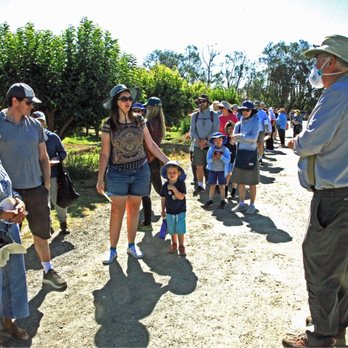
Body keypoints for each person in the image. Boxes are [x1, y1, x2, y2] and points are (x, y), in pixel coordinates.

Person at [282, 34, 348, 348]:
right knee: (342, 265)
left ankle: (322, 337)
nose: (316, 67)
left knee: (321, 265)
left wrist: (297, 143)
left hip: (335, 197)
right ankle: (334, 323)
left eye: (319, 61)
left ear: (332, 62)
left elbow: (311, 142)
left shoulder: (337, 93)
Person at [0, 83, 67, 290]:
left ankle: (48, 270)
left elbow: (43, 156)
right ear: (15, 101)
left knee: (41, 232)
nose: (31, 107)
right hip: (9, 195)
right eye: (28, 102)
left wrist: (46, 184)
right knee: (8, 239)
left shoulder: (35, 126)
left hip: (36, 189)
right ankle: (8, 284)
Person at [97, 84, 169, 264]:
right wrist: (100, 178)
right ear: (116, 102)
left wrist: (169, 162)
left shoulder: (139, 120)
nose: (128, 102)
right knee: (116, 211)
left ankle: (131, 245)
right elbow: (105, 153)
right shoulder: (108, 125)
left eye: (130, 98)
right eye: (124, 99)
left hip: (140, 170)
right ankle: (113, 250)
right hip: (117, 172)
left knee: (134, 210)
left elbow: (151, 145)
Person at [0, 161, 30, 344]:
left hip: (8, 231)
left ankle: (8, 322)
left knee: (11, 278)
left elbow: (9, 191)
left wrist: (20, 203)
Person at [32, 111, 70, 234]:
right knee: (42, 203)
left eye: (41, 122)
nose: (39, 124)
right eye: (36, 122)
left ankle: (63, 223)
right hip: (36, 177)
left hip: (53, 175)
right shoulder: (29, 139)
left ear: (45, 123)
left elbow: (63, 153)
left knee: (58, 200)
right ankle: (47, 225)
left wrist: (56, 160)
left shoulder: (53, 137)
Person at [138, 97, 166, 231]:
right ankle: (168, 212)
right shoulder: (159, 122)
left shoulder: (148, 123)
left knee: (145, 192)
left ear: (152, 108)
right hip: (155, 160)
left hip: (147, 160)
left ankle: (147, 222)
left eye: (147, 107)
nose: (145, 109)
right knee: (159, 188)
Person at [230, 100, 260, 215]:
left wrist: (238, 136)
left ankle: (252, 204)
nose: (245, 112)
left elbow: (253, 139)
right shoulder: (238, 124)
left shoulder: (256, 122)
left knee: (252, 182)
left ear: (252, 111)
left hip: (251, 154)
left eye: (247, 110)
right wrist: (238, 138)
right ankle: (241, 203)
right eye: (243, 110)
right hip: (240, 153)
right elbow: (233, 141)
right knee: (240, 181)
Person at [190, 94, 219, 196]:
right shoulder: (195, 116)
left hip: (211, 145)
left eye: (203, 101)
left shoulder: (214, 115)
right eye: (199, 102)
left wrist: (206, 140)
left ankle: (213, 185)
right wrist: (198, 140)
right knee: (199, 166)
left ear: (207, 102)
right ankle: (200, 185)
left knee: (212, 166)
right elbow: (192, 130)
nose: (201, 103)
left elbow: (215, 130)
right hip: (198, 145)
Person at [160, 160, 187, 257]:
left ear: (179, 173)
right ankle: (174, 243)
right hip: (169, 211)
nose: (172, 174)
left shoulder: (181, 184)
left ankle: (181, 246)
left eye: (174, 172)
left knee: (180, 229)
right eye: (169, 173)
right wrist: (163, 210)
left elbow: (181, 197)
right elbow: (163, 198)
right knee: (172, 229)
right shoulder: (164, 186)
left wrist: (174, 189)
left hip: (180, 211)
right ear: (166, 174)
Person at [202, 132, 231, 209]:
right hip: (212, 170)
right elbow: (207, 160)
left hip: (222, 170)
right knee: (212, 185)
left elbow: (228, 161)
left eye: (219, 139)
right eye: (216, 140)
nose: (218, 141)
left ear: (222, 140)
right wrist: (213, 158)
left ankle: (223, 200)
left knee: (221, 185)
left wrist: (221, 157)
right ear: (213, 141)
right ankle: (210, 200)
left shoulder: (226, 150)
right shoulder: (211, 149)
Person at [224, 121, 238, 199]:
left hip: (236, 159)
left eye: (232, 128)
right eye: (229, 128)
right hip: (228, 161)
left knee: (235, 177)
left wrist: (234, 125)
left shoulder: (237, 138)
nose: (231, 130)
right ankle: (225, 192)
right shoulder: (225, 139)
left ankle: (233, 192)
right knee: (228, 176)